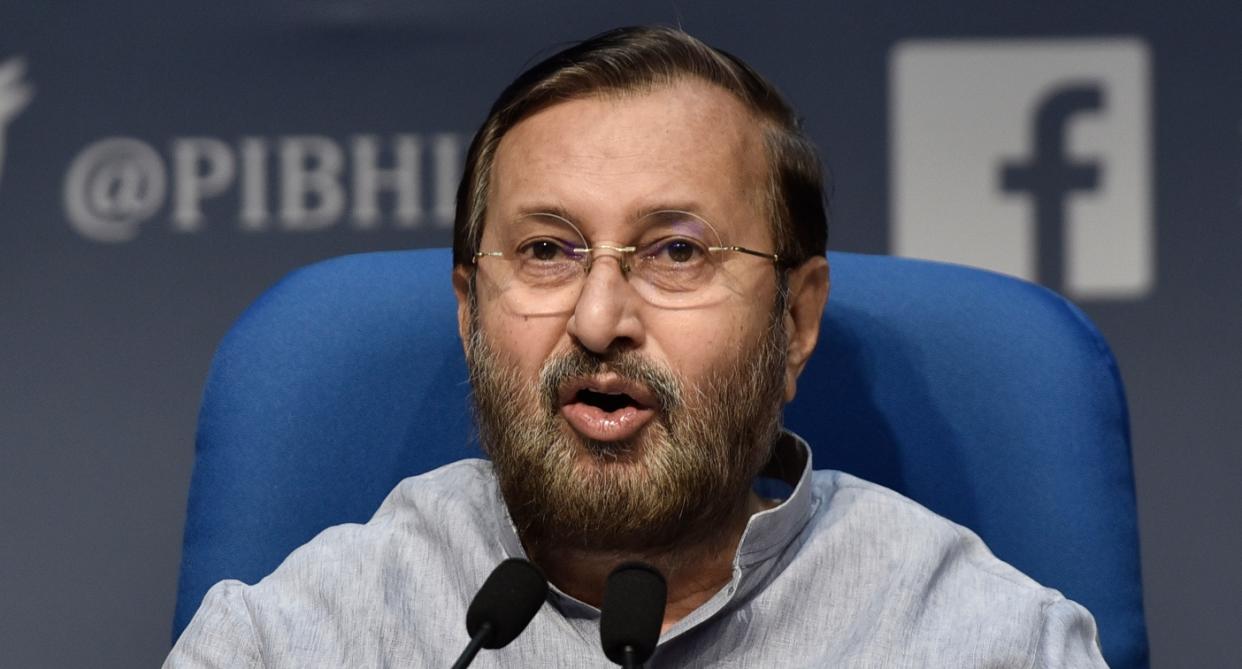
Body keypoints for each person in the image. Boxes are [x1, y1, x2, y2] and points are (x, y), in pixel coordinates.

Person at [166, 26, 1107, 667]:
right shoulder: (295, 638)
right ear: (467, 310)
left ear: (796, 318)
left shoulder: (987, 640)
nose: (599, 317)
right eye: (545, 251)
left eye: (677, 252)